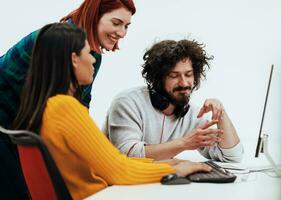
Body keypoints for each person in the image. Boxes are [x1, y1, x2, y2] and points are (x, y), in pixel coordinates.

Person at [12, 23, 211, 200]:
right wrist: (174, 170)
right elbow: (118, 171)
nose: (92, 61)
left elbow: (111, 164)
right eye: (88, 53)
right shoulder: (65, 108)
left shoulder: (43, 107)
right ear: (74, 59)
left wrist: (172, 164)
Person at [0, 0, 135, 198]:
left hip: (18, 129)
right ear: (94, 16)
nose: (122, 33)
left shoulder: (91, 55)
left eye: (126, 26)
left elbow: (80, 107)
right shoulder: (60, 43)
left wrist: (94, 147)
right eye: (116, 23)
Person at [103, 39, 244, 162]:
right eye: (174, 75)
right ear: (158, 79)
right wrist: (184, 143)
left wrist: (221, 114)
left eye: (188, 74)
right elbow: (127, 154)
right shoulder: (127, 102)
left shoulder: (192, 114)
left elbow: (232, 157)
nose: (184, 83)